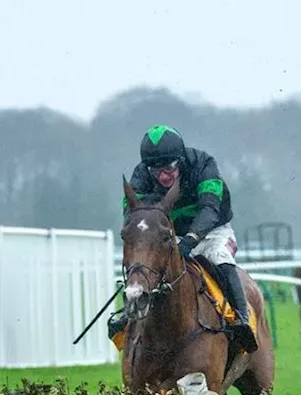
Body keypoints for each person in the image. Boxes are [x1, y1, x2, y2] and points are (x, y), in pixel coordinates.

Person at [110, 125, 257, 352]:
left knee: (220, 257)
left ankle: (241, 318)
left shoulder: (203, 165)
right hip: (168, 235)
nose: (163, 176)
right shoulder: (140, 175)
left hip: (212, 230)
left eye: (169, 168)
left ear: (180, 160)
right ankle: (130, 319)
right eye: (156, 171)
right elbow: (133, 216)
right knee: (146, 267)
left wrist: (191, 239)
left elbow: (210, 209)